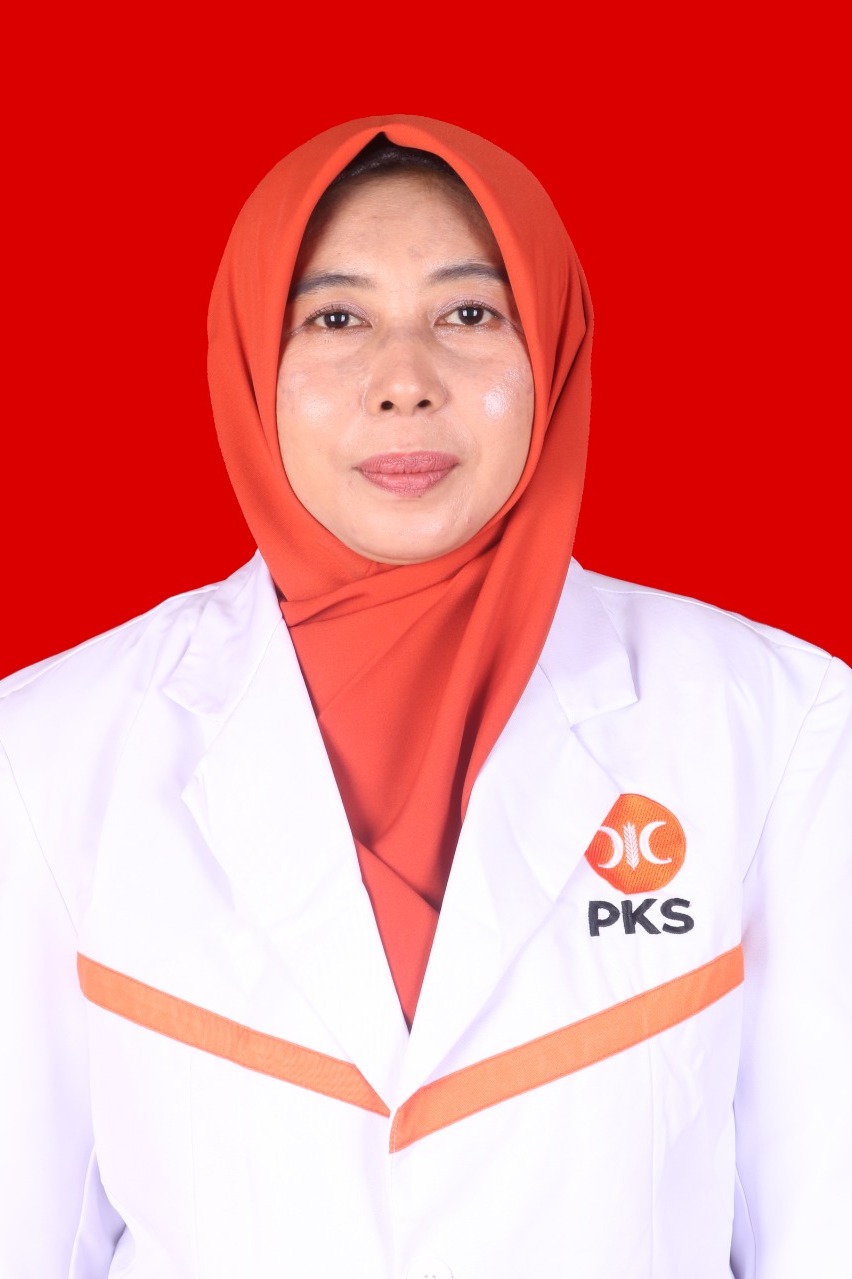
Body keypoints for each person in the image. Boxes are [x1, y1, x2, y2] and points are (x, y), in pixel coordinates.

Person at [0, 115, 849, 1279]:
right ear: (249, 360)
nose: (404, 383)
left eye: (469, 314)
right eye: (335, 320)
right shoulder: (50, 750)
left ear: (552, 346)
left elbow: (823, 1227)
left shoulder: (776, 724)